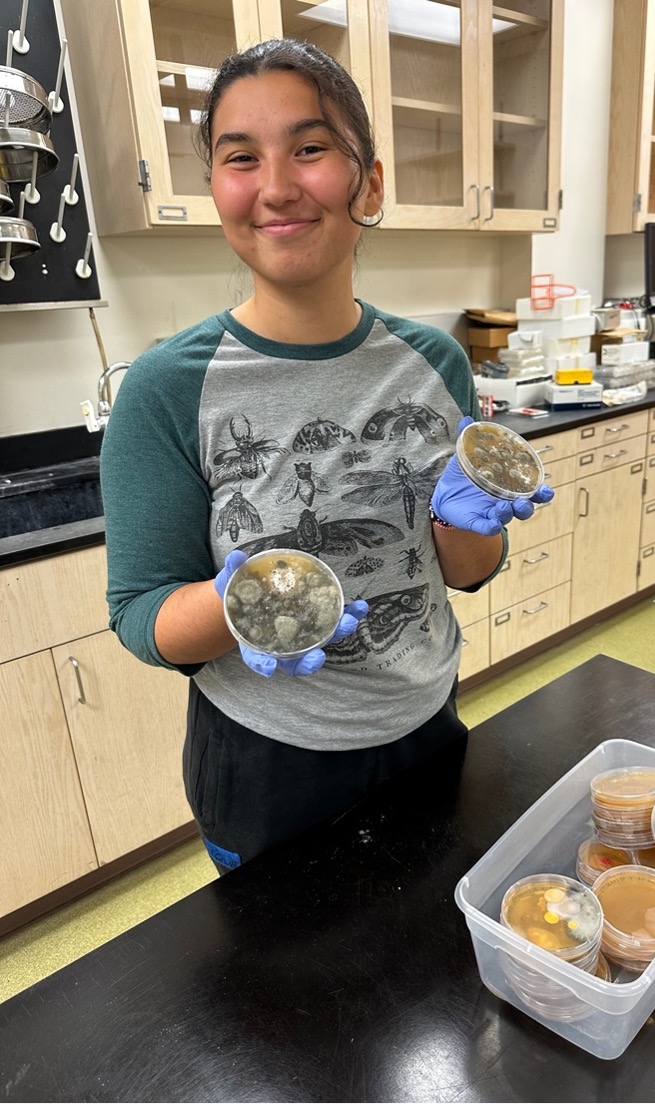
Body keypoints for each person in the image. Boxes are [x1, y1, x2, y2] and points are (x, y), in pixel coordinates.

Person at [100, 37, 553, 874]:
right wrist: (237, 606)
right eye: (241, 158)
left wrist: (467, 521)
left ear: (368, 182)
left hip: (426, 721)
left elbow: (464, 572)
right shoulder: (166, 388)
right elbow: (140, 616)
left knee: (428, 968)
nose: (275, 186)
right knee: (284, 993)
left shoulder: (433, 361)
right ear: (216, 189)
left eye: (309, 149)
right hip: (270, 761)